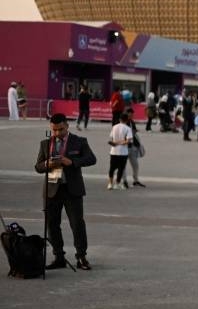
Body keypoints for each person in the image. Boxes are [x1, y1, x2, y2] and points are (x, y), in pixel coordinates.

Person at [34, 113, 97, 270]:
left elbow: (91, 159)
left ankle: (81, 256)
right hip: (52, 189)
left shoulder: (79, 141)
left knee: (77, 224)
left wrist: (72, 162)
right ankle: (59, 257)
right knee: (52, 225)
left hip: (72, 189)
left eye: (60, 129)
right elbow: (38, 167)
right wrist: (47, 164)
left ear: (67, 126)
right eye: (54, 130)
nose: (57, 133)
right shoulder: (45, 143)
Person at [107, 112, 133, 190]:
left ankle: (110, 183)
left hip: (113, 151)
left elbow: (111, 139)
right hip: (123, 152)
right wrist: (119, 143)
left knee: (112, 168)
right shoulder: (128, 128)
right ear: (127, 120)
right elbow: (128, 140)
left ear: (119, 119)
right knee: (121, 168)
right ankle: (117, 183)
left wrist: (115, 143)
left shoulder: (114, 127)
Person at [124, 108, 146, 188]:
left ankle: (135, 180)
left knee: (135, 165)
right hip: (125, 147)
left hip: (132, 147)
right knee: (123, 165)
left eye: (132, 114)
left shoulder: (132, 122)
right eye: (130, 114)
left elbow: (133, 132)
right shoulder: (122, 122)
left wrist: (134, 131)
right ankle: (124, 181)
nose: (131, 116)